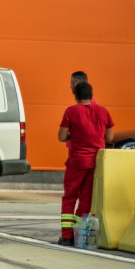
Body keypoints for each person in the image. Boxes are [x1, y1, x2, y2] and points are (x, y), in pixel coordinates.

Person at [57, 82, 114, 246]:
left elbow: (61, 137)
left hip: (76, 162)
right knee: (86, 199)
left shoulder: (71, 111)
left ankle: (66, 236)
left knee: (69, 198)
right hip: (95, 162)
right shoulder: (104, 111)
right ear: (91, 95)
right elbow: (109, 138)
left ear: (76, 96)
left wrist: (73, 136)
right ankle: (78, 233)